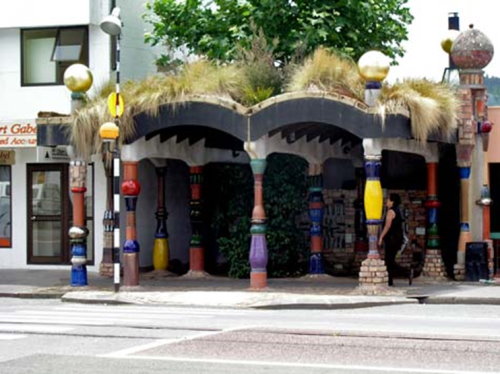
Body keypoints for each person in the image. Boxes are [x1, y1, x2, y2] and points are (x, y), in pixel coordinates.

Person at [378, 193, 403, 286]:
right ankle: (391, 280)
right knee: (390, 260)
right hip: (397, 238)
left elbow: (387, 226)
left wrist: (381, 237)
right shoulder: (397, 211)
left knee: (389, 260)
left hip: (392, 239)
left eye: (388, 200)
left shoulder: (391, 212)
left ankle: (391, 280)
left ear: (392, 201)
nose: (386, 201)